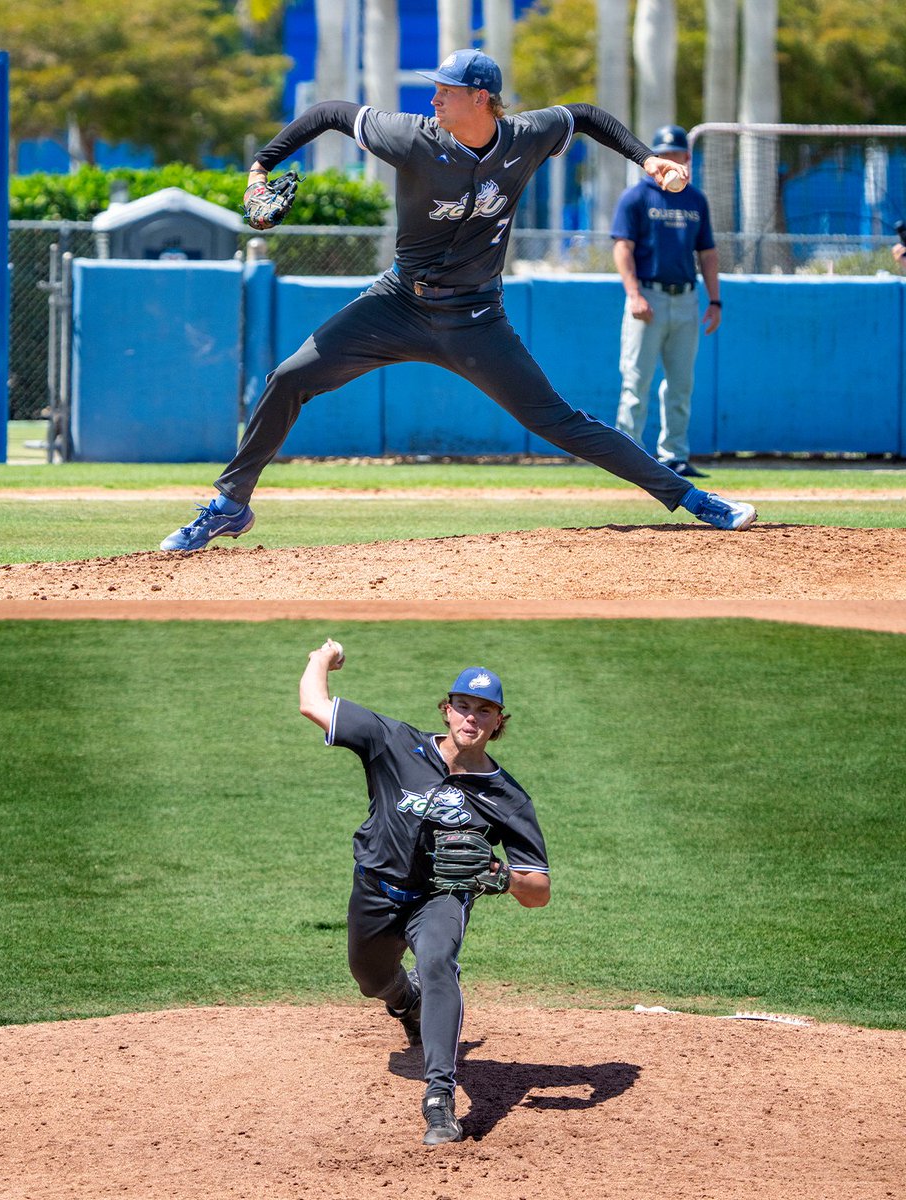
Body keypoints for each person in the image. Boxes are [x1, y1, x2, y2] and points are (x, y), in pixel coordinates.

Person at [161, 50, 756, 552]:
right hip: (396, 305)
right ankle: (230, 503)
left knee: (560, 422)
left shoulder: (526, 137)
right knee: (289, 379)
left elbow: (587, 115)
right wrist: (261, 167)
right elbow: (329, 113)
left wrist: (644, 158)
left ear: (481, 98)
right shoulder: (412, 139)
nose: (433, 101)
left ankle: (694, 499)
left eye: (444, 91)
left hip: (476, 319)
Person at [299, 638, 550, 1146]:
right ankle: (404, 1001)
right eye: (463, 706)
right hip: (375, 890)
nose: (471, 718)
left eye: (485, 710)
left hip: (442, 899)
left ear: (499, 722)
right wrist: (321, 659)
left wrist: (501, 876)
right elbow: (313, 704)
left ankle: (440, 1098)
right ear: (447, 709)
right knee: (372, 981)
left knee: (438, 962)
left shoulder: (508, 797)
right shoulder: (395, 742)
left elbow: (539, 889)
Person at [611, 124, 721, 479]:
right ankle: (627, 457)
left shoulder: (695, 199)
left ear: (687, 158)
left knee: (681, 383)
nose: (671, 160)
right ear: (655, 159)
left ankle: (674, 455)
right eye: (665, 154)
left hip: (686, 297)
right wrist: (634, 294)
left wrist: (715, 300)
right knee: (636, 380)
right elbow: (622, 248)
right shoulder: (637, 196)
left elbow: (707, 253)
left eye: (677, 154)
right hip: (649, 295)